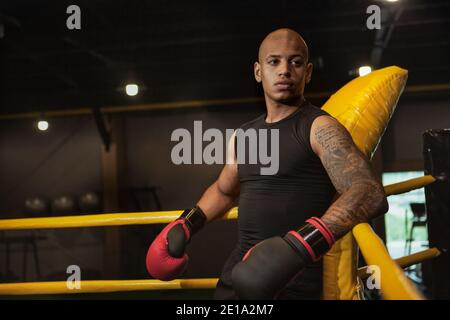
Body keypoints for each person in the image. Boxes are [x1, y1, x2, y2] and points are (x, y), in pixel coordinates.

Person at [146, 28, 388, 299]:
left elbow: (369, 192)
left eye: (295, 62)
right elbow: (224, 190)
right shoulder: (244, 135)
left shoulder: (319, 127)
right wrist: (186, 224)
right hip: (235, 279)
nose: (285, 70)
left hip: (293, 283)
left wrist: (300, 246)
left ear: (307, 72)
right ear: (258, 72)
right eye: (274, 62)